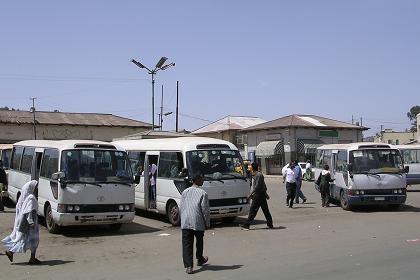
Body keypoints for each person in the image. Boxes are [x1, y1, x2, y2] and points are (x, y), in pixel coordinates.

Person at [2, 180, 41, 264]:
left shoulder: (25, 198)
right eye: (35, 188)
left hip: (26, 224)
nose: (36, 189)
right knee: (33, 240)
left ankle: (12, 252)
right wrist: (31, 222)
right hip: (31, 225)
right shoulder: (31, 198)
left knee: (25, 240)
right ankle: (32, 258)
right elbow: (29, 212)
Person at [180, 173, 210, 274]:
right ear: (197, 180)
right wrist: (207, 223)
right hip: (197, 221)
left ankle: (189, 266)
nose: (203, 180)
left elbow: (182, 207)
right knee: (199, 241)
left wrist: (182, 219)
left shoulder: (185, 192)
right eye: (202, 179)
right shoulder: (203, 193)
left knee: (187, 244)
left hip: (186, 221)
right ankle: (199, 258)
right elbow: (205, 210)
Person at [241, 162, 273, 230]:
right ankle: (270, 224)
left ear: (253, 167)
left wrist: (250, 195)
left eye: (251, 167)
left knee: (253, 210)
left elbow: (258, 187)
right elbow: (263, 186)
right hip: (260, 195)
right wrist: (266, 194)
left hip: (258, 195)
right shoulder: (255, 174)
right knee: (265, 210)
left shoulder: (259, 175)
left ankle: (247, 225)